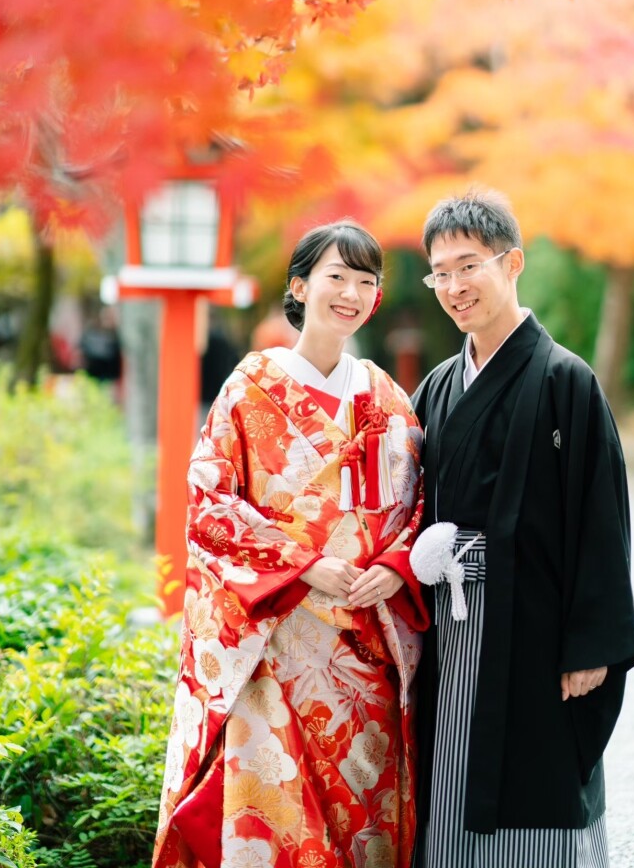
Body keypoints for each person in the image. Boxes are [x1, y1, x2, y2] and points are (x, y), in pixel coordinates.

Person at [154, 221, 428, 868]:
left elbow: (422, 504)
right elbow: (210, 502)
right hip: (277, 637)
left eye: (367, 282)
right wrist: (304, 566)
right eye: (337, 277)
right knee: (276, 809)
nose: (352, 293)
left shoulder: (388, 397)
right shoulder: (250, 388)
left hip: (367, 646)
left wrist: (394, 566)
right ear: (301, 286)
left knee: (366, 813)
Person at [410, 191, 634, 868]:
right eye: (440, 273)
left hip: (537, 627)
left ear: (512, 263)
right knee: (451, 772)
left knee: (537, 775)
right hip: (450, 625)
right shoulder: (438, 385)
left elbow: (602, 521)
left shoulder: (566, 380)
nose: (454, 287)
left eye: (468, 266)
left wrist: (591, 643)